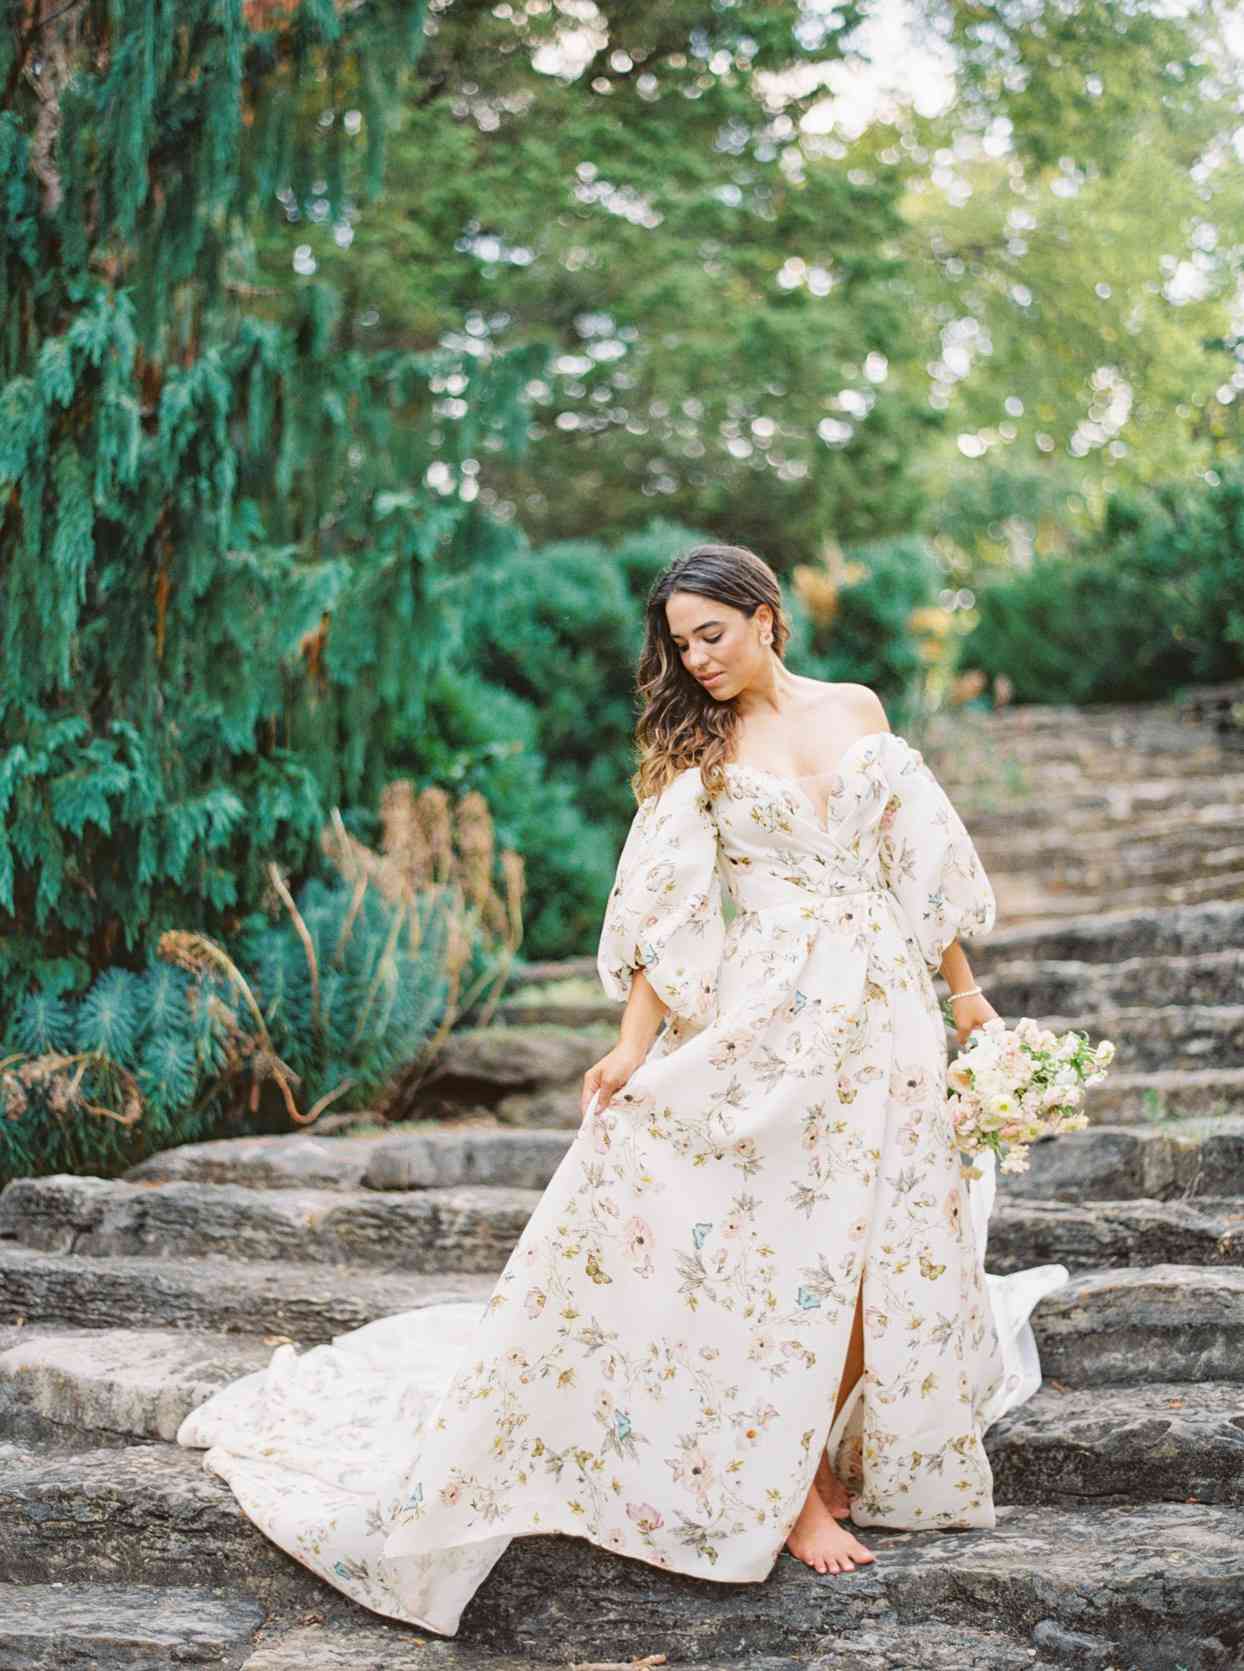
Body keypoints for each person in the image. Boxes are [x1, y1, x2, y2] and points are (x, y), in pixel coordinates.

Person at [178, 543, 1068, 1634]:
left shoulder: (856, 707)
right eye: (679, 643)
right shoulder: (699, 747)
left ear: (766, 617)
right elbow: (665, 912)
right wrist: (630, 1045)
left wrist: (966, 1000)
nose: (695, 660)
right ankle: (784, 1492)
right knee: (775, 1240)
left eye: (713, 634)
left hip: (886, 1009)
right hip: (772, 1012)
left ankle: (819, 1459)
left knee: (878, 1236)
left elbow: (914, 865)